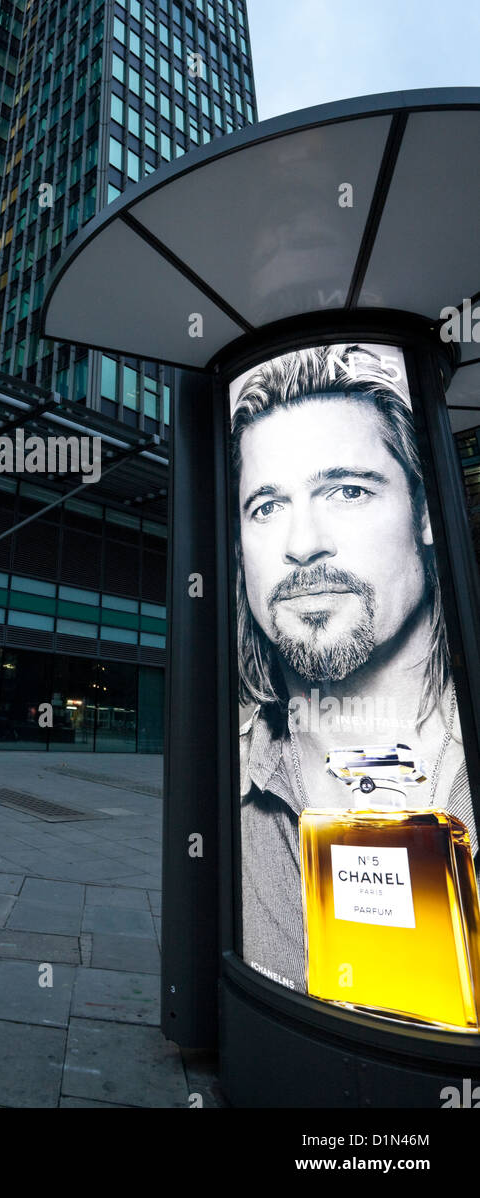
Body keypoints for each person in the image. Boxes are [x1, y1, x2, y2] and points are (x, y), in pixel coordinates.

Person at [231, 344, 475, 991]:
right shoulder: (225, 777)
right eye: (267, 505)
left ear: (425, 514)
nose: (303, 543)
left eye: (346, 489)